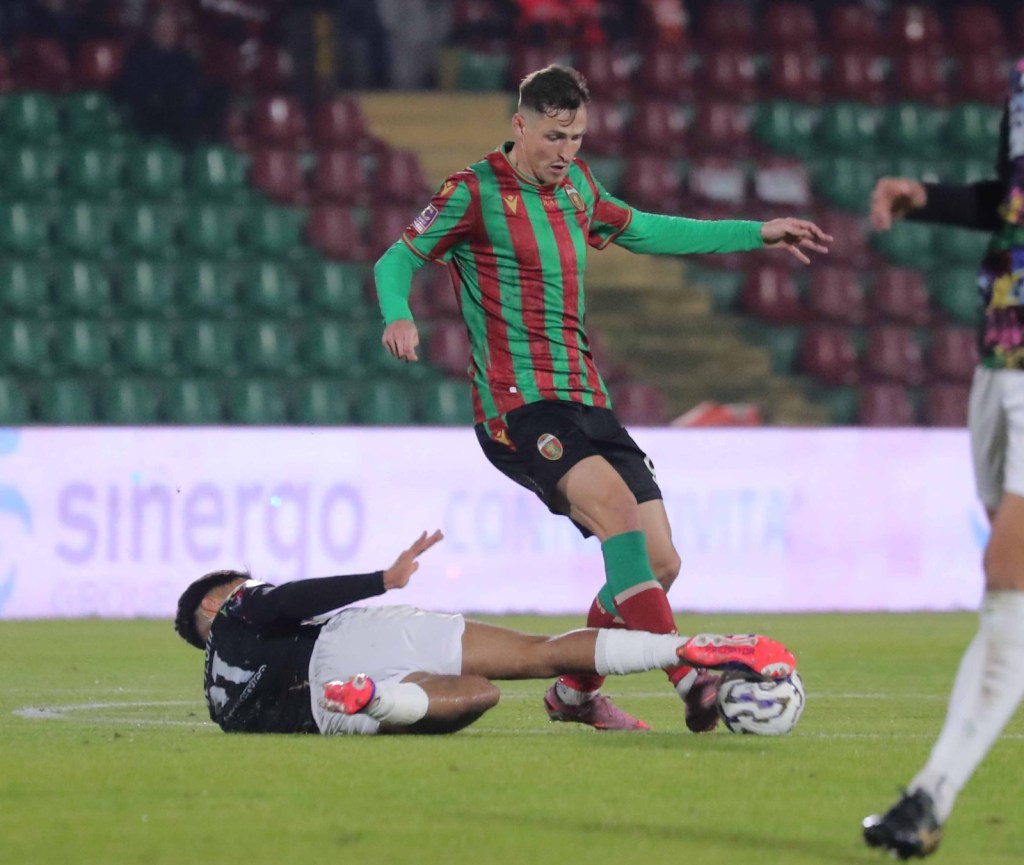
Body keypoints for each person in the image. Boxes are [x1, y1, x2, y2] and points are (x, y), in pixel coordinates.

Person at [373, 64, 831, 734]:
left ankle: (575, 693)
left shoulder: (580, 189)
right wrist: (397, 313)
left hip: (588, 400)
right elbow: (396, 259)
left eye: (577, 138)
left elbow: (651, 229)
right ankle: (689, 674)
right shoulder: (470, 191)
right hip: (519, 408)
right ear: (520, 124)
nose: (566, 152)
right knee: (619, 520)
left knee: (662, 561)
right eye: (554, 136)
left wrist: (756, 233)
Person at [861, 58, 1024, 860]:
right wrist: (923, 196)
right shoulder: (1021, 80)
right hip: (1000, 356)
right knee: (1013, 592)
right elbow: (1010, 203)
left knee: (1008, 576)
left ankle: (931, 791)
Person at [174, 529, 796, 736]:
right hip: (346, 645)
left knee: (476, 696)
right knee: (535, 655)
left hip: (323, 707)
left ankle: (378, 699)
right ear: (213, 599)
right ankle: (680, 651)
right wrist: (381, 579)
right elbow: (292, 597)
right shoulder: (234, 607)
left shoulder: (219, 706)